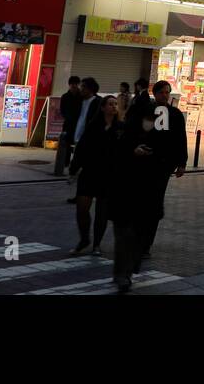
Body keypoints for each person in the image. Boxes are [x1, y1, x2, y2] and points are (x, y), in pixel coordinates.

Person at [137, 81, 187, 260]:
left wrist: (182, 162)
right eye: (162, 92)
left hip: (163, 165)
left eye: (168, 92)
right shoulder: (146, 111)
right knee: (142, 202)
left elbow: (181, 138)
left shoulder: (174, 114)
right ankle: (138, 239)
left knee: (154, 203)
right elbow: (138, 133)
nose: (166, 96)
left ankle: (146, 244)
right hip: (144, 163)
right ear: (155, 93)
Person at [69, 95, 124, 255]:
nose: (114, 107)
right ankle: (84, 238)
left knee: (102, 212)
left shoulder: (121, 128)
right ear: (102, 107)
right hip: (90, 172)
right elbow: (82, 148)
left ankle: (97, 245)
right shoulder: (93, 126)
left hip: (109, 175)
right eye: (110, 104)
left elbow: (125, 150)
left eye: (116, 104)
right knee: (82, 208)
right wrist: (74, 168)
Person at [54, 76, 82, 177]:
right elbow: (62, 110)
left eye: (76, 83)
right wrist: (68, 117)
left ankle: (76, 164)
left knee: (79, 145)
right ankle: (65, 163)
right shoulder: (65, 96)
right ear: (69, 85)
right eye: (72, 84)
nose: (74, 86)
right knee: (66, 144)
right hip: (69, 124)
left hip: (80, 124)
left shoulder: (82, 96)